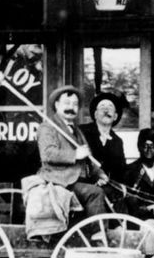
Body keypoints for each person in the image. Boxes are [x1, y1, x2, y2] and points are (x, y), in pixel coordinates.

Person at [36, 85, 111, 222]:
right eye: (67, 103)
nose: (71, 107)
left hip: (77, 181)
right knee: (95, 193)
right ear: (57, 105)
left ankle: (111, 228)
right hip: (59, 181)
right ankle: (97, 234)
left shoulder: (77, 131)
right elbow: (47, 154)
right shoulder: (47, 128)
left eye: (75, 104)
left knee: (109, 190)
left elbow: (87, 158)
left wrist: (99, 173)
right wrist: (75, 154)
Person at [79, 92, 127, 183]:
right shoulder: (82, 132)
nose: (106, 110)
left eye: (110, 107)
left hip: (107, 186)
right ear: (95, 114)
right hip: (84, 184)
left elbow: (120, 171)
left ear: (115, 116)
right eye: (102, 107)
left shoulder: (117, 142)